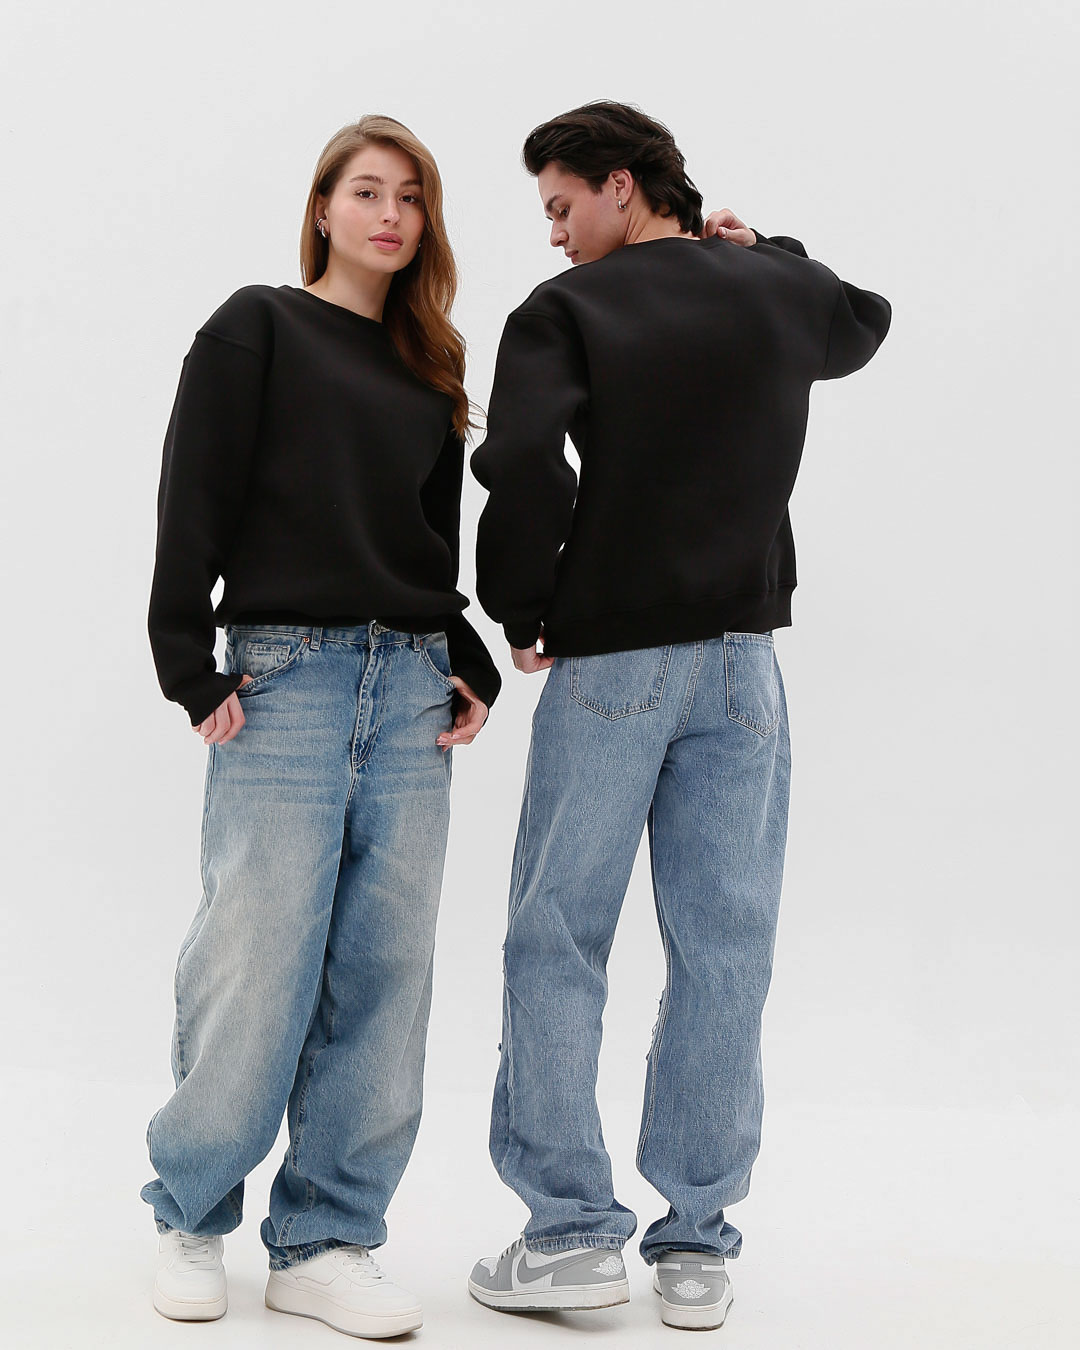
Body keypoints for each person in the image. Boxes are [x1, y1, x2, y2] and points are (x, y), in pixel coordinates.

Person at [467, 100, 891, 1332]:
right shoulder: (774, 290)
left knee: (559, 936)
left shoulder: (566, 311)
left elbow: (521, 461)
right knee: (725, 949)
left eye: (561, 206)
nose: (553, 234)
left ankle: (569, 1235)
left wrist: (523, 604)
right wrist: (767, 251)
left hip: (614, 657)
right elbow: (861, 322)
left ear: (620, 184)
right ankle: (697, 1244)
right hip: (745, 666)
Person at [142, 115, 499, 1339]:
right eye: (366, 191)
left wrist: (464, 658)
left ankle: (327, 1239)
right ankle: (192, 1213)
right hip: (284, 679)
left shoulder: (431, 366)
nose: (390, 214)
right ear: (323, 208)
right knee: (256, 955)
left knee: (386, 973)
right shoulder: (258, 325)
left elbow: (429, 547)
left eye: (411, 196)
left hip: (410, 689)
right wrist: (185, 663)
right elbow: (193, 494)